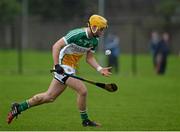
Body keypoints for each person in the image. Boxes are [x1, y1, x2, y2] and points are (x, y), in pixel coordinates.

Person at [7, 14, 112, 127]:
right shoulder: (77, 34)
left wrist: (100, 69)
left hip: (72, 68)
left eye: (103, 29)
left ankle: (18, 107)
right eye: (101, 29)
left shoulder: (95, 40)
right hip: (62, 66)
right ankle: (85, 121)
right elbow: (56, 46)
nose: (102, 32)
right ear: (94, 27)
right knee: (83, 90)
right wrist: (57, 65)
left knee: (49, 97)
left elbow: (89, 58)